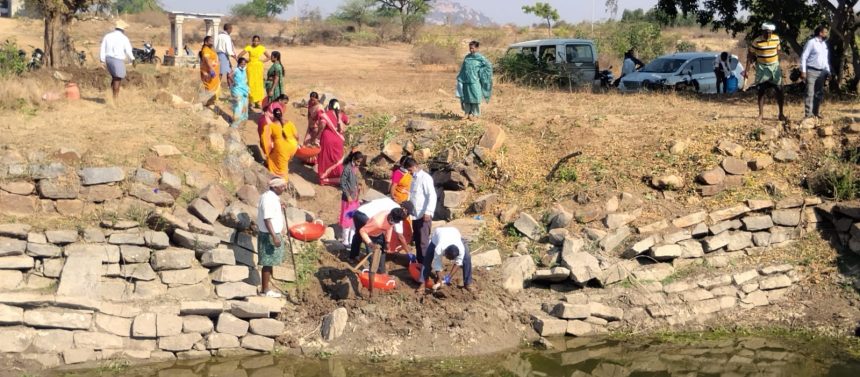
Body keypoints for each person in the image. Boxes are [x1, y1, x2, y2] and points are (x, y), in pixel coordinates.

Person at [349, 197, 415, 261]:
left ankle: (353, 257)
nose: (407, 216)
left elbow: (389, 228)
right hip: (368, 217)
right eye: (408, 214)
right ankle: (373, 263)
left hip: (359, 212)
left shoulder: (390, 201)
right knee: (372, 239)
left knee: (359, 235)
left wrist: (388, 241)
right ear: (405, 210)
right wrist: (408, 253)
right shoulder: (397, 213)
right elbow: (400, 236)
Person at [744, 23, 786, 122]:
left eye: (770, 33)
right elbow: (750, 56)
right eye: (767, 33)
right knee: (761, 91)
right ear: (763, 32)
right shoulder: (757, 41)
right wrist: (747, 70)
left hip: (774, 67)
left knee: (779, 89)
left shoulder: (776, 39)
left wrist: (778, 64)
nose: (769, 35)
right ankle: (761, 114)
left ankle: (781, 113)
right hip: (762, 68)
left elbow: (778, 51)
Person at [256, 177, 288, 298]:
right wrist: (274, 236)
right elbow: (267, 219)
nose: (284, 188)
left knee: (270, 261)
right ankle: (265, 290)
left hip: (272, 233)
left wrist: (280, 207)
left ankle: (267, 288)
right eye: (282, 186)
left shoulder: (273, 197)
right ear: (274, 187)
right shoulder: (268, 198)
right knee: (267, 262)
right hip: (268, 235)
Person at [417, 227, 473, 293]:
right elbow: (437, 264)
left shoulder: (461, 249)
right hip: (438, 235)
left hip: (454, 233)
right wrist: (440, 279)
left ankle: (468, 283)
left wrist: (449, 277)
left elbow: (458, 263)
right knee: (427, 258)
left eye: (452, 259)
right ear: (445, 252)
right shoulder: (439, 248)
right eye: (448, 258)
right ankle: (422, 283)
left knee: (467, 257)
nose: (449, 260)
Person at [357, 207, 407, 275]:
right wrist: (370, 243)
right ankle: (372, 276)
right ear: (391, 216)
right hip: (370, 236)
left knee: (383, 253)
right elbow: (362, 231)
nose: (394, 223)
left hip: (379, 234)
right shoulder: (377, 222)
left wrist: (387, 241)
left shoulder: (392, 217)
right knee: (372, 258)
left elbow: (389, 228)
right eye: (394, 221)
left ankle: (381, 272)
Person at [405, 157, 436, 265]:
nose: (409, 173)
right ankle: (419, 263)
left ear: (415, 166)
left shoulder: (425, 178)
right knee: (417, 241)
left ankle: (425, 266)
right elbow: (413, 195)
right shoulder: (414, 179)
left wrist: (428, 211)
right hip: (415, 215)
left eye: (410, 170)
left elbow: (432, 196)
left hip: (424, 215)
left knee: (423, 242)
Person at [456, 41, 493, 121]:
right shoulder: (467, 57)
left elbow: (488, 65)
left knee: (475, 98)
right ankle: (467, 114)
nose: (471, 50)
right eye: (470, 48)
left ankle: (475, 114)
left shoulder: (480, 58)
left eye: (472, 48)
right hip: (466, 81)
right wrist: (460, 78)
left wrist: (481, 72)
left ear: (477, 48)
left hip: (475, 81)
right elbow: (463, 68)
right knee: (467, 98)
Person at [800, 25, 830, 119]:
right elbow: (804, 57)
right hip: (811, 70)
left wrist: (828, 71)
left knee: (819, 93)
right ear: (820, 33)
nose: (826, 34)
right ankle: (808, 115)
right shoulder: (811, 43)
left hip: (822, 72)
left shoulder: (824, 44)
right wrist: (803, 71)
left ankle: (816, 113)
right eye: (825, 32)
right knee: (810, 93)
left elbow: (825, 59)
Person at [99, 20, 134, 102]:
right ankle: (115, 100)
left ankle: (111, 97)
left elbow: (102, 48)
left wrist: (102, 60)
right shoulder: (124, 38)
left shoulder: (107, 36)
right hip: (117, 60)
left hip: (108, 59)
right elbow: (128, 50)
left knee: (114, 77)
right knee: (117, 79)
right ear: (123, 30)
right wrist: (132, 59)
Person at [317, 99, 349, 186]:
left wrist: (317, 136)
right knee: (337, 160)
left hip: (327, 140)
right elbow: (348, 122)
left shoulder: (325, 114)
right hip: (338, 141)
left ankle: (324, 179)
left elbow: (322, 125)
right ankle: (337, 179)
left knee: (326, 158)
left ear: (329, 105)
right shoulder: (340, 114)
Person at [260, 108, 298, 178]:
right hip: (293, 146)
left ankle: (283, 181)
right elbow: (297, 136)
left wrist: (268, 151)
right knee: (284, 161)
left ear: (274, 116)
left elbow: (264, 139)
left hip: (281, 147)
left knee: (276, 163)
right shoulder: (289, 123)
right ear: (282, 114)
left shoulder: (271, 126)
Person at [339, 151, 365, 247]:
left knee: (353, 218)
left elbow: (354, 181)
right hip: (348, 199)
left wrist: (359, 186)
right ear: (353, 159)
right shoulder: (347, 169)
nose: (358, 164)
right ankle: (345, 240)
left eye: (360, 162)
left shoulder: (354, 168)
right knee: (347, 219)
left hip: (355, 198)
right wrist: (348, 196)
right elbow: (342, 183)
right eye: (358, 161)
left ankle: (351, 240)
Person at [238, 35, 270, 108]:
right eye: (254, 41)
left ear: (259, 41)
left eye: (257, 41)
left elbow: (269, 57)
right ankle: (250, 102)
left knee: (258, 85)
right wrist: (246, 60)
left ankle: (258, 102)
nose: (256, 42)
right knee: (250, 84)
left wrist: (262, 61)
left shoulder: (262, 48)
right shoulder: (249, 47)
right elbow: (240, 55)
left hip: (259, 68)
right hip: (250, 68)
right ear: (252, 41)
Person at [198, 36, 220, 108]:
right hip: (208, 72)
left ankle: (211, 102)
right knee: (209, 87)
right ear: (206, 42)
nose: (212, 42)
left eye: (212, 40)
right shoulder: (206, 50)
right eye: (210, 41)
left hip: (212, 71)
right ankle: (208, 103)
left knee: (212, 87)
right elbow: (207, 60)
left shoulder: (210, 49)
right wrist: (211, 69)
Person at [229, 57, 249, 128]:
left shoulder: (245, 69)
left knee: (245, 105)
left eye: (244, 64)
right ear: (238, 64)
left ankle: (241, 120)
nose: (243, 65)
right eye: (241, 64)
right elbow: (229, 76)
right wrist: (233, 82)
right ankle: (235, 123)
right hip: (237, 89)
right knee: (238, 105)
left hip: (244, 89)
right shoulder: (236, 69)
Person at [215, 23, 237, 87]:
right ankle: (229, 87)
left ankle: (218, 86)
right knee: (226, 73)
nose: (231, 31)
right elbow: (229, 50)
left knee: (223, 71)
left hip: (218, 55)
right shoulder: (227, 37)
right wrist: (235, 57)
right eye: (231, 29)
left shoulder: (218, 36)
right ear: (229, 29)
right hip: (223, 56)